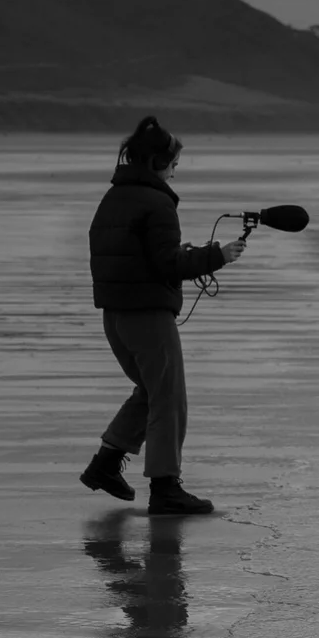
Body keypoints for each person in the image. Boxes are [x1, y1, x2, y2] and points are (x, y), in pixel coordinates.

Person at [78, 115, 245, 516]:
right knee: (168, 398)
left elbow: (138, 258)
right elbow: (167, 264)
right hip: (147, 316)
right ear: (155, 162)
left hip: (115, 316)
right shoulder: (156, 202)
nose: (174, 172)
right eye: (172, 165)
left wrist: (186, 255)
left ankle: (104, 464)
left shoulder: (114, 197)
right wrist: (215, 257)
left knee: (151, 392)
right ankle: (165, 487)